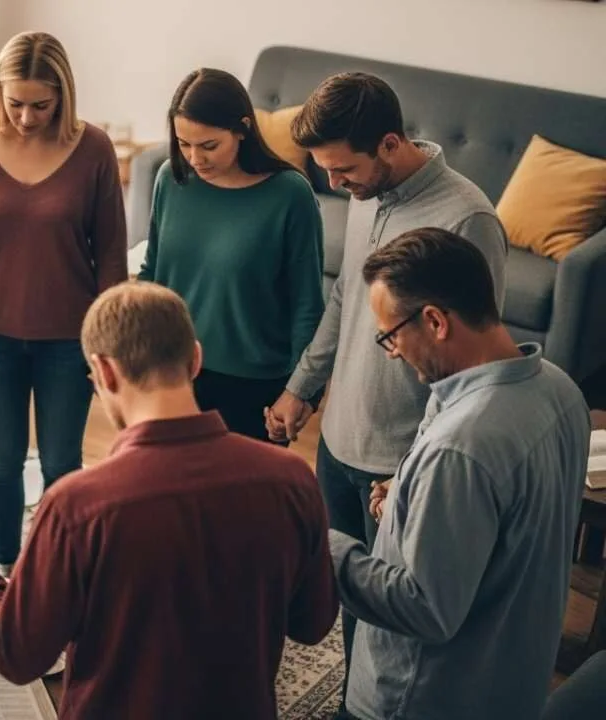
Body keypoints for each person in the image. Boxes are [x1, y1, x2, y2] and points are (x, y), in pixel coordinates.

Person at [0, 281, 337, 719]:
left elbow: (17, 653)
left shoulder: (77, 506)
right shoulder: (292, 480)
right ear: (196, 359)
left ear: (105, 373)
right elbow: (313, 621)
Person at [262, 72, 508, 705]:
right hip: (337, 445)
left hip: (399, 469)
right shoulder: (366, 193)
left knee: (396, 632)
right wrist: (302, 389)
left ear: (392, 144)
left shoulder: (468, 218)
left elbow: (472, 366)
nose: (335, 186)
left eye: (344, 171)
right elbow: (346, 298)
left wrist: (414, 469)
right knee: (349, 609)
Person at [333, 227, 590, 720]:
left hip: (423, 698)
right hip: (510, 681)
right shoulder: (560, 391)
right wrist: (414, 497)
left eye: (390, 335)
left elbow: (424, 608)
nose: (391, 352)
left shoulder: (461, 449)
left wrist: (324, 547)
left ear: (434, 321)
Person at [0, 31, 127, 576]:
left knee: (63, 463)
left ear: (62, 95)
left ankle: (60, 567)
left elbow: (112, 255)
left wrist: (110, 350)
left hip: (70, 340)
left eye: (40, 104)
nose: (25, 116)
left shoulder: (93, 150)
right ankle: (7, 570)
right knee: (1, 461)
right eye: (14, 102)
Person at [138, 68, 323, 442]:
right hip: (173, 373)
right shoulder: (170, 180)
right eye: (184, 144)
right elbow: (153, 271)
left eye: (208, 146)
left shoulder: (290, 195)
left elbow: (307, 304)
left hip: (255, 387)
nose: (194, 158)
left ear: (243, 130)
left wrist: (300, 393)